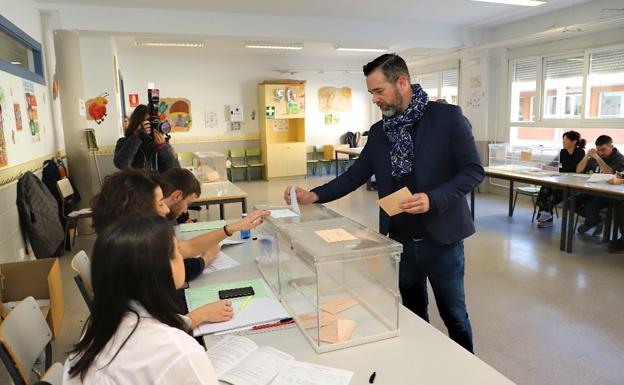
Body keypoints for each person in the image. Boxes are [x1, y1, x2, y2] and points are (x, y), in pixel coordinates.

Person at [285, 53, 484, 352]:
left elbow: (473, 171)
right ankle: (423, 363)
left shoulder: (447, 119)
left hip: (442, 240)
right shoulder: (379, 132)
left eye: (379, 91)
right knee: (413, 314)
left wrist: (433, 198)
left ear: (401, 82)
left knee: (454, 315)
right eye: (372, 93)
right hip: (400, 241)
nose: (375, 99)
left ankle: (470, 371)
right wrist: (314, 195)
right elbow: (355, 175)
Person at [90, 169, 269, 326]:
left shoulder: (120, 244)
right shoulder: (135, 261)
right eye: (160, 202)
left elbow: (188, 247)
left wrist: (232, 228)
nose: (166, 210)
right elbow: (156, 335)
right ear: (139, 209)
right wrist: (198, 316)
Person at [64, 215, 219, 384]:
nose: (182, 258)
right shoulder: (178, 352)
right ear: (160, 269)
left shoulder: (95, 328)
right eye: (177, 253)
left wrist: (196, 317)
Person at [575, 135, 624, 235]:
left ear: (611, 146)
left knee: (590, 206)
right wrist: (587, 156)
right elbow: (578, 170)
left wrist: (597, 158)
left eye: (603, 149)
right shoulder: (597, 156)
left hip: (611, 193)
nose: (600, 152)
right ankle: (597, 221)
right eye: (598, 150)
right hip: (593, 189)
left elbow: (609, 173)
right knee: (572, 201)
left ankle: (590, 222)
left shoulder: (619, 158)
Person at [535, 131, 586, 228]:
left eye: (566, 139)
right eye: (563, 139)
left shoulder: (580, 152)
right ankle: (546, 215)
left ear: (574, 141)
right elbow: (554, 163)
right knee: (545, 188)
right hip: (561, 181)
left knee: (551, 195)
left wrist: (556, 169)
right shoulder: (563, 152)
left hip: (573, 184)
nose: (563, 141)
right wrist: (544, 166)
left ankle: (546, 215)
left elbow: (573, 169)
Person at [114, 104, 179, 172]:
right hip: (135, 182)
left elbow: (175, 170)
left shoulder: (162, 143)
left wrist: (163, 148)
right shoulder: (124, 141)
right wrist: (137, 136)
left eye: (156, 122)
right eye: (149, 122)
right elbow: (121, 164)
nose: (153, 126)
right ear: (138, 123)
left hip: (158, 182)